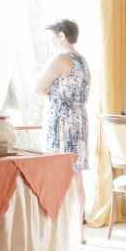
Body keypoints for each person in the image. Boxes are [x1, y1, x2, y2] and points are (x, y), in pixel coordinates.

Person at [36, 19, 90, 170]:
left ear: (61, 36)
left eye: (52, 38)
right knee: (75, 172)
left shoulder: (61, 59)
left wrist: (50, 89)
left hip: (61, 121)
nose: (51, 43)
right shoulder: (82, 60)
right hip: (79, 119)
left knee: (58, 172)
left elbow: (38, 87)